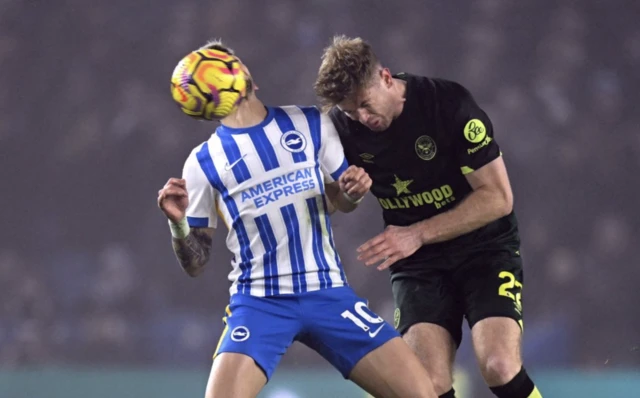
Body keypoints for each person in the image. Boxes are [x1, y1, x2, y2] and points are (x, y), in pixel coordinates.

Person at [157, 40, 438, 398]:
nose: (239, 69)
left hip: (328, 292)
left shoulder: (309, 122)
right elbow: (196, 264)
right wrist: (178, 224)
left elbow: (337, 201)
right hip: (260, 302)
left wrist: (350, 193)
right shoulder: (202, 163)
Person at [314, 35, 543, 398]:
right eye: (350, 111)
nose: (362, 118)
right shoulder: (341, 130)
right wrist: (349, 193)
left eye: (364, 105)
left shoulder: (448, 104)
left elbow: (499, 198)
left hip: (484, 247)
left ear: (386, 78)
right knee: (426, 386)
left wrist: (416, 233)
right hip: (419, 265)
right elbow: (334, 203)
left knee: (499, 365)